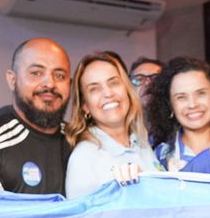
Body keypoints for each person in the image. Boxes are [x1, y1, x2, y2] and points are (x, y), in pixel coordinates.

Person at [0, 38, 72, 195]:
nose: (50, 84)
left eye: (59, 75)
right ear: (12, 80)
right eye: (36, 73)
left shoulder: (80, 141)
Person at [63, 52, 158, 198]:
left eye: (113, 83)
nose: (108, 93)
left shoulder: (141, 142)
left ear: (127, 90)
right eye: (94, 89)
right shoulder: (84, 158)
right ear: (85, 106)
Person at [144, 57, 210, 171]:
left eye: (201, 93)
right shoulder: (158, 157)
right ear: (171, 105)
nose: (192, 104)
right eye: (181, 97)